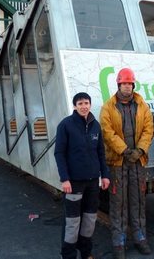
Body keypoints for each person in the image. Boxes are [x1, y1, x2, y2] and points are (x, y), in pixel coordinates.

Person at [100, 68, 154, 259]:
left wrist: (139, 150)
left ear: (133, 85)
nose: (127, 87)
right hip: (117, 162)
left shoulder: (142, 105)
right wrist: (124, 150)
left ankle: (140, 237)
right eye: (123, 83)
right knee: (118, 202)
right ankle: (119, 241)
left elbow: (149, 128)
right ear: (118, 85)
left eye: (129, 83)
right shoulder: (108, 107)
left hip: (137, 161)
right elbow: (107, 132)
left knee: (138, 200)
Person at [54, 92, 111, 259]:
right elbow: (59, 153)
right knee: (72, 221)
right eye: (80, 103)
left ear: (90, 105)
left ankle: (86, 253)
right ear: (74, 106)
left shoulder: (95, 126)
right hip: (73, 183)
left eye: (86, 103)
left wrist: (105, 175)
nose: (84, 106)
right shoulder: (65, 125)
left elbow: (101, 153)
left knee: (89, 219)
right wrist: (64, 178)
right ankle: (69, 255)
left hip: (93, 182)